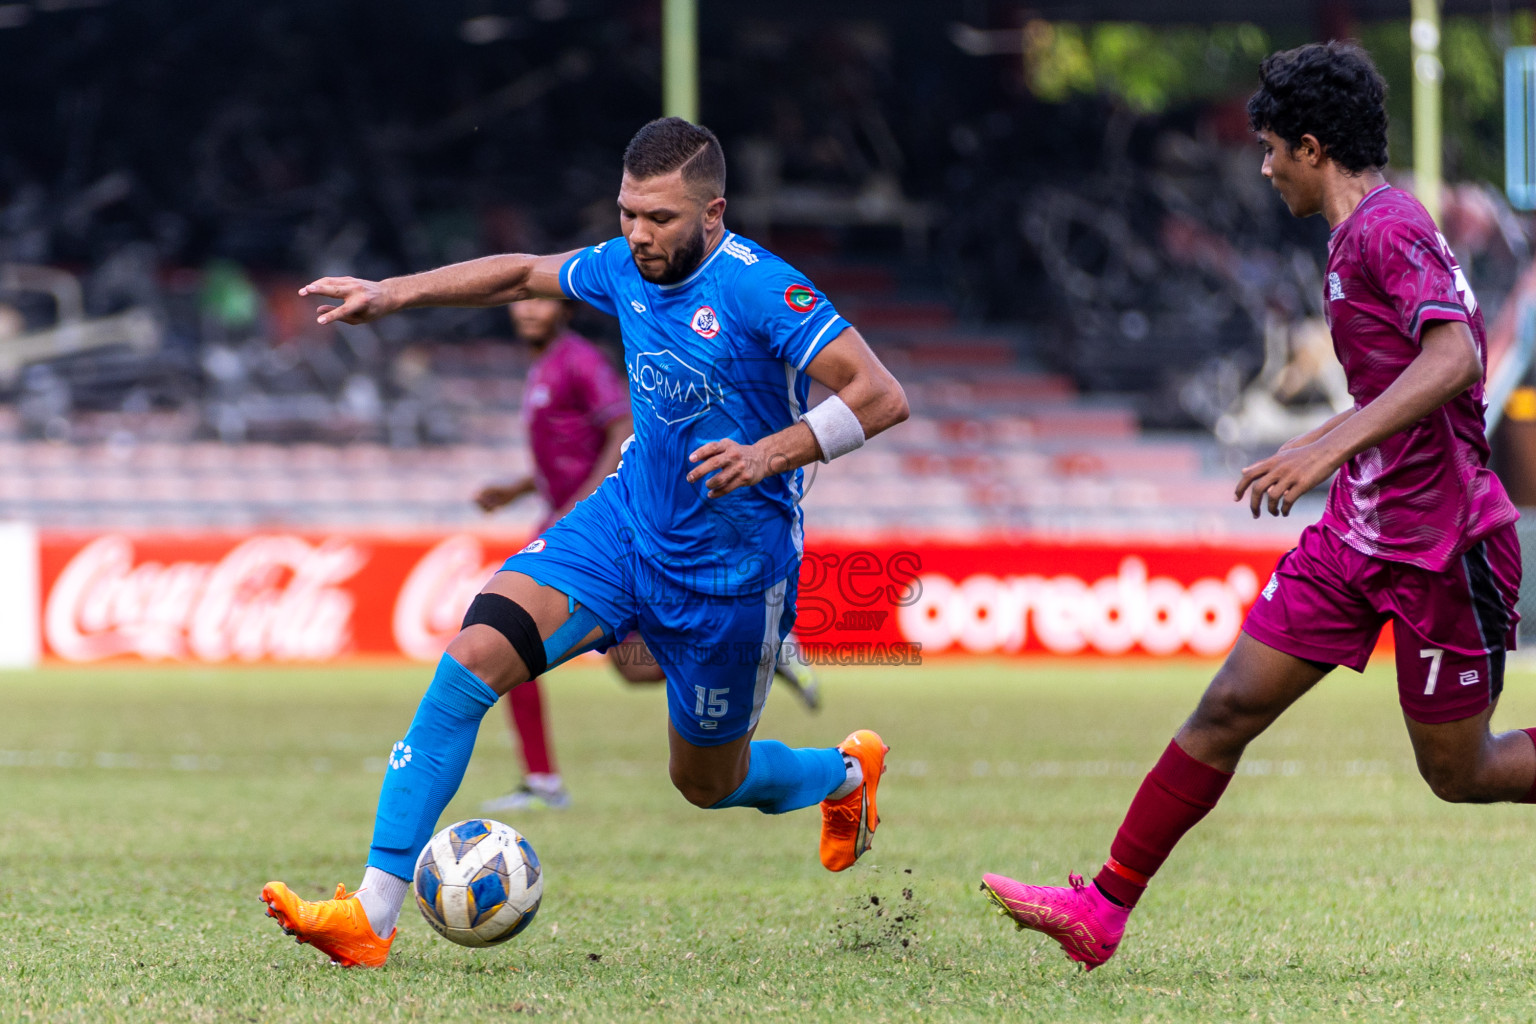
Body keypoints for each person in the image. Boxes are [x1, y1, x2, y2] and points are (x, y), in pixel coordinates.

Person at [260, 117, 909, 968]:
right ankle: (370, 914)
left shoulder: (760, 289)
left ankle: (845, 777)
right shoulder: (619, 267)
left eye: (661, 219)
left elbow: (881, 394)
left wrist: (767, 453)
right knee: (470, 660)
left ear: (714, 212)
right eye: (628, 212)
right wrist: (394, 293)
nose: (639, 234)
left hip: (731, 575)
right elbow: (523, 274)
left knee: (707, 784)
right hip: (623, 530)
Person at [981, 42, 1527, 971]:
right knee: (1229, 703)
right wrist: (1331, 444)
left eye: (1272, 148)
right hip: (1359, 535)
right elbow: (1410, 376)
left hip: (1446, 542)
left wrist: (1325, 443)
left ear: (1313, 148)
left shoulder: (1387, 229)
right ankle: (1102, 909)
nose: (1265, 167)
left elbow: (1454, 362)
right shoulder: (1359, 236)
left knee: (1459, 772)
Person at [477, 298, 823, 813]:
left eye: (541, 299)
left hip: (607, 526)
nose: (529, 310)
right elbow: (570, 446)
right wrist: (516, 490)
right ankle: (754, 654)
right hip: (571, 518)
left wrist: (574, 508)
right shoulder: (544, 366)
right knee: (631, 668)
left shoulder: (580, 362)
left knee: (501, 637)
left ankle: (543, 780)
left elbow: (621, 429)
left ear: (564, 308)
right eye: (521, 302)